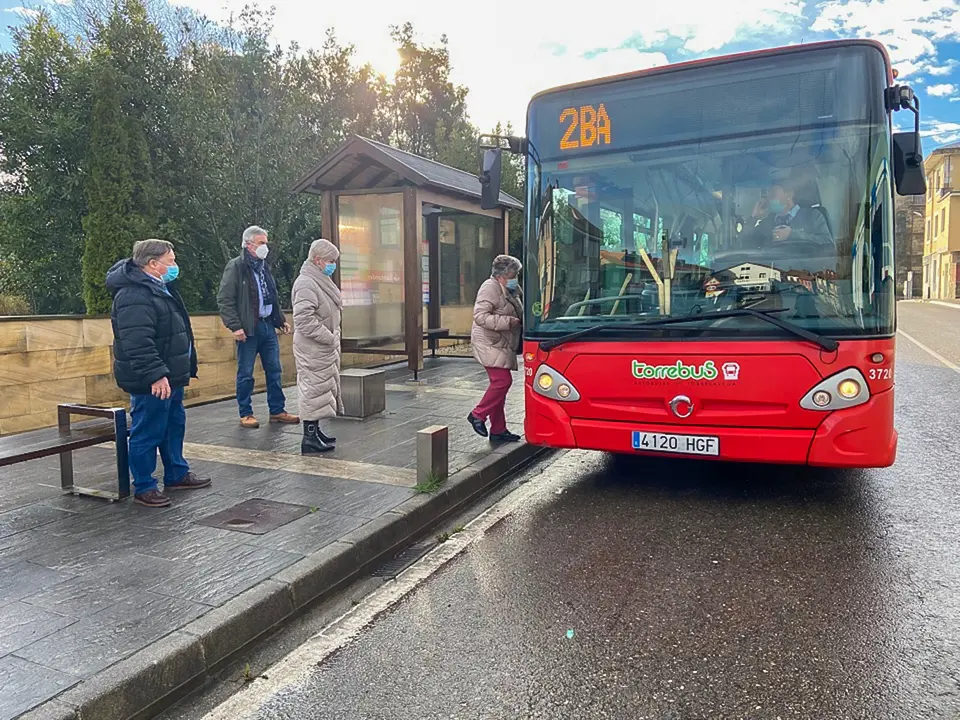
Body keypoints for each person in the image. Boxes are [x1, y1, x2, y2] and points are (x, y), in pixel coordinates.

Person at [107, 239, 211, 508]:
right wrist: (155, 374)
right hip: (151, 379)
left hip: (170, 375)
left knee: (173, 425)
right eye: (171, 261)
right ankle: (144, 485)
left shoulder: (160, 288)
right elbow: (137, 341)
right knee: (148, 429)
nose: (175, 266)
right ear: (152, 264)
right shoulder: (133, 295)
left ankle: (176, 473)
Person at [217, 225, 299, 429]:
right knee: (245, 372)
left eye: (266, 243)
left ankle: (277, 410)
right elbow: (225, 299)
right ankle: (246, 413)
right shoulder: (236, 267)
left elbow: (270, 295)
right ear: (248, 244)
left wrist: (279, 320)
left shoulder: (263, 267)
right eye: (261, 243)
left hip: (266, 326)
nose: (265, 247)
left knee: (275, 369)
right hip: (248, 329)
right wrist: (235, 326)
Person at [291, 239, 343, 454]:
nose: (333, 265)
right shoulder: (306, 282)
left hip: (322, 346)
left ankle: (315, 431)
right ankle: (309, 436)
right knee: (312, 389)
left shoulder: (319, 279)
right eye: (330, 261)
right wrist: (328, 337)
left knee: (320, 389)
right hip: (313, 346)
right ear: (318, 260)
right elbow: (303, 319)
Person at [467, 254, 524, 442]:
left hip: (501, 343)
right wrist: (508, 322)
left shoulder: (510, 289)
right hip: (489, 342)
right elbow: (480, 316)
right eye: (514, 274)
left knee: (499, 385)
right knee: (502, 382)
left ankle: (498, 429)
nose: (516, 278)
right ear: (502, 275)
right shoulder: (489, 288)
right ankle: (477, 415)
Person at [747, 179, 834, 251]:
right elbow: (744, 242)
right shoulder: (768, 222)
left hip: (804, 269)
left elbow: (828, 243)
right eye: (768, 196)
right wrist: (754, 217)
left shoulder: (813, 216)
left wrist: (792, 235)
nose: (769, 199)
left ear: (789, 195)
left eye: (773, 195)